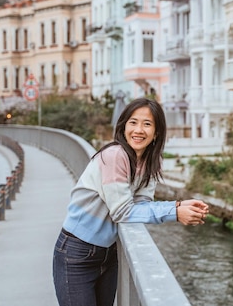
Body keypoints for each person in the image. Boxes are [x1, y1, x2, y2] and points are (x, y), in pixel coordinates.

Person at [53, 97, 209, 306]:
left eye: (147, 124)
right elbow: (122, 212)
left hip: (109, 253)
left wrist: (178, 206)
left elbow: (142, 203)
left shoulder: (151, 161)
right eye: (133, 122)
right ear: (123, 125)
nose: (138, 130)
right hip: (77, 253)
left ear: (157, 132)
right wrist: (174, 211)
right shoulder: (115, 155)